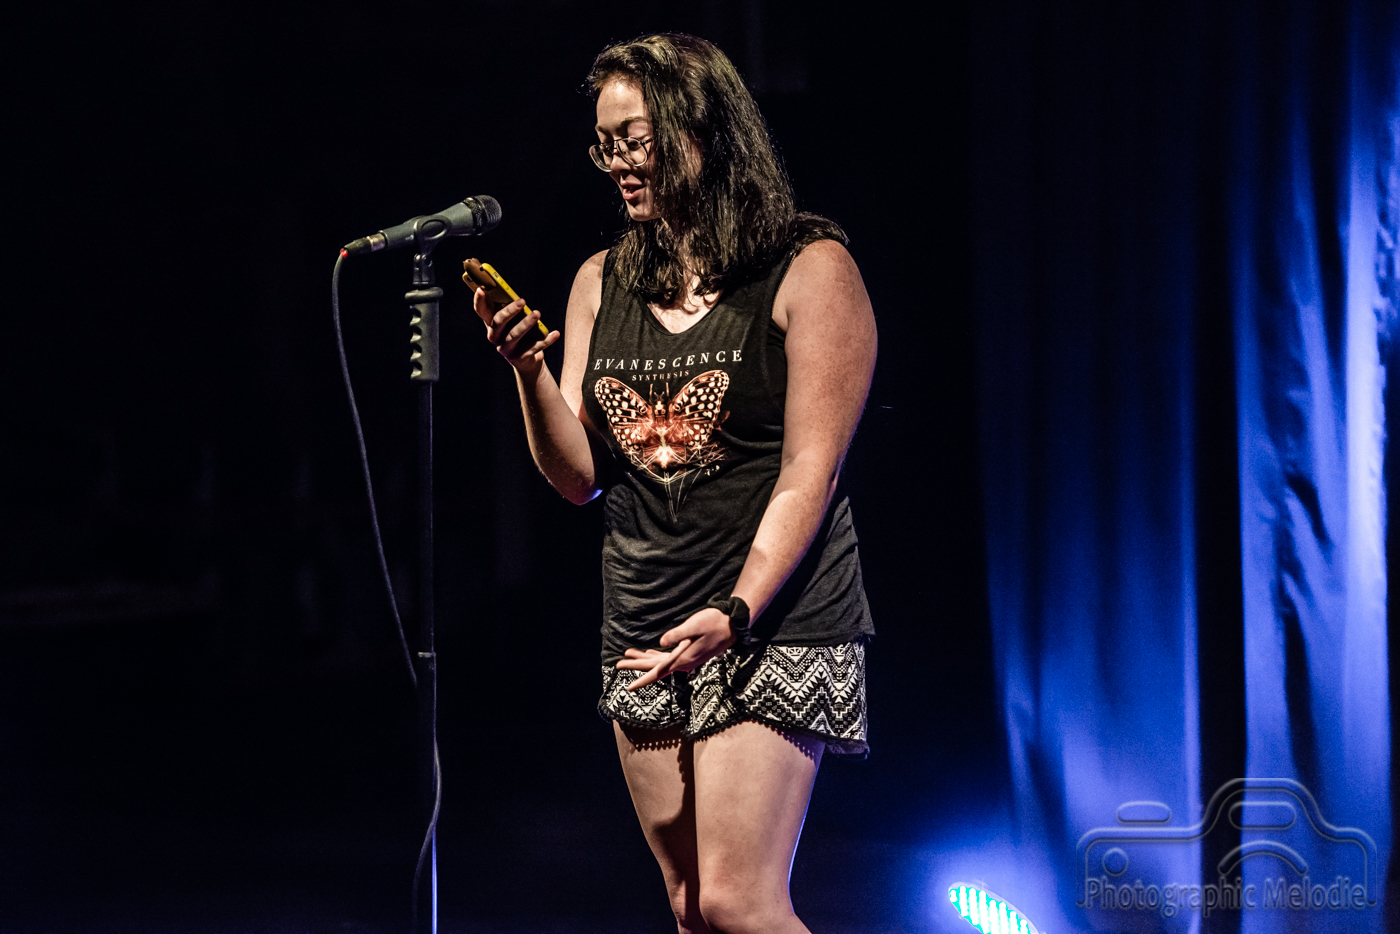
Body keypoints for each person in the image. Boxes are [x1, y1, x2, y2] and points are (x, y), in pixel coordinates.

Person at [473, 33, 877, 934]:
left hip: (771, 617)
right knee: (692, 908)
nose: (618, 162)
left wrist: (736, 610)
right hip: (647, 619)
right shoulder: (600, 281)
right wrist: (528, 372)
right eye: (604, 145)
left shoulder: (810, 270)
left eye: (635, 139)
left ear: (703, 130)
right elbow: (579, 478)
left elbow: (809, 472)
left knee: (739, 900)